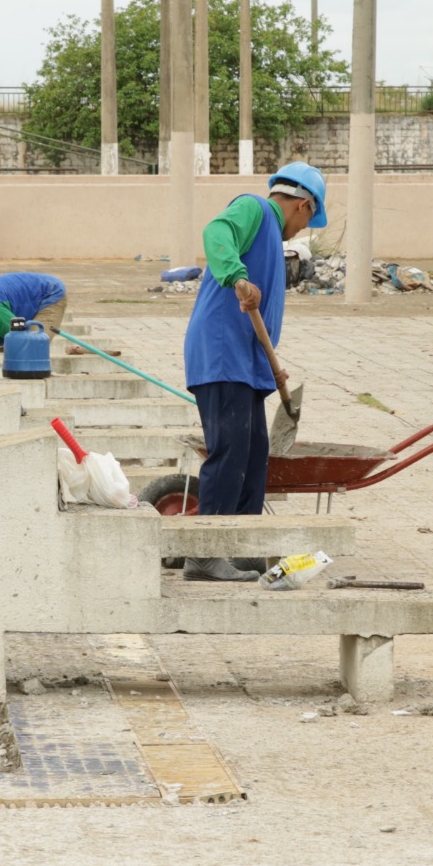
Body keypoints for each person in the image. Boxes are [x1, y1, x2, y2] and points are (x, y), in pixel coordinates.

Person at [180, 161, 327, 582]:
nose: (301, 230)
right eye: (307, 221)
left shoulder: (272, 242)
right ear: (302, 205)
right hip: (223, 355)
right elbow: (216, 233)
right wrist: (237, 278)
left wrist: (273, 369)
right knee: (229, 453)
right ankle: (205, 554)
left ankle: (242, 548)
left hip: (249, 363)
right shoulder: (255, 210)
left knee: (253, 454)